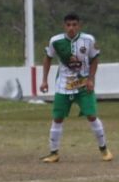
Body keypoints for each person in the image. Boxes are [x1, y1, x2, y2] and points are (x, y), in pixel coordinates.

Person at [40, 12, 112, 162]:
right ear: (64, 26)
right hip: (63, 86)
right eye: (68, 25)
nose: (71, 28)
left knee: (92, 116)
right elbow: (47, 59)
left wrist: (91, 79)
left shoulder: (88, 40)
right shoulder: (56, 41)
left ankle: (104, 149)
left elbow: (94, 60)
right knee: (57, 118)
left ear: (79, 26)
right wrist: (44, 80)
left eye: (74, 25)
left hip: (83, 85)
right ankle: (54, 153)